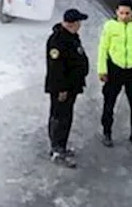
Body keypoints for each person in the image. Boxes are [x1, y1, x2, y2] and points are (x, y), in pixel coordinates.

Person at [97, 0, 132, 148]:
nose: (124, 16)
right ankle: (107, 132)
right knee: (109, 103)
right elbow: (102, 49)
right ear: (117, 13)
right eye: (121, 13)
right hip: (114, 69)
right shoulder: (110, 27)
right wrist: (102, 70)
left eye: (127, 13)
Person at [45, 8, 89, 167]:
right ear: (73, 23)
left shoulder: (70, 37)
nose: (80, 25)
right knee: (59, 117)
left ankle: (61, 146)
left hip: (71, 86)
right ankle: (56, 150)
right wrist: (61, 89)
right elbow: (56, 68)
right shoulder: (57, 41)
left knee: (66, 117)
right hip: (62, 89)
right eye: (79, 22)